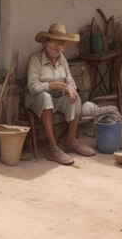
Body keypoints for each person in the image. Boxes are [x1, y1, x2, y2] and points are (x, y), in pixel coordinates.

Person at [25, 23, 95, 165]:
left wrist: (68, 88)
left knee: (75, 97)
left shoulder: (62, 59)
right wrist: (51, 85)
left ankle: (71, 140)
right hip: (36, 99)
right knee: (45, 98)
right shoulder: (35, 59)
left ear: (64, 46)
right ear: (45, 43)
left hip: (57, 98)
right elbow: (32, 87)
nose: (56, 47)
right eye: (53, 42)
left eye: (60, 43)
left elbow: (70, 81)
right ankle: (52, 147)